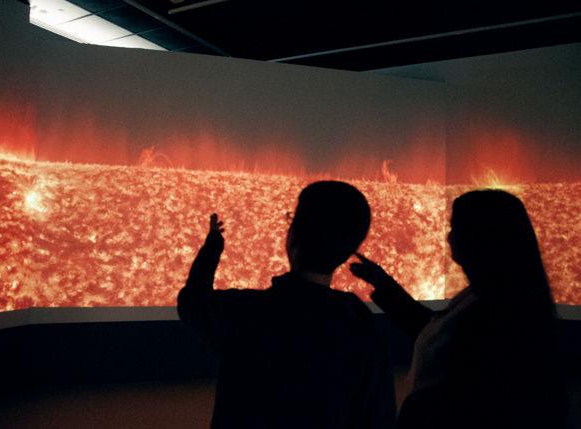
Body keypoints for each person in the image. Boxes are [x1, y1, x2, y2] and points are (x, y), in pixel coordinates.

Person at [178, 181, 396, 429]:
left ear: (293, 237)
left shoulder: (244, 313)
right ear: (350, 251)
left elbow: (192, 301)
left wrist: (212, 246)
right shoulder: (359, 324)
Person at [350, 189, 566, 429]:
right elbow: (435, 331)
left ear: (482, 238)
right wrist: (383, 284)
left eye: (456, 228)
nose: (449, 237)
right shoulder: (491, 298)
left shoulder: (495, 316)